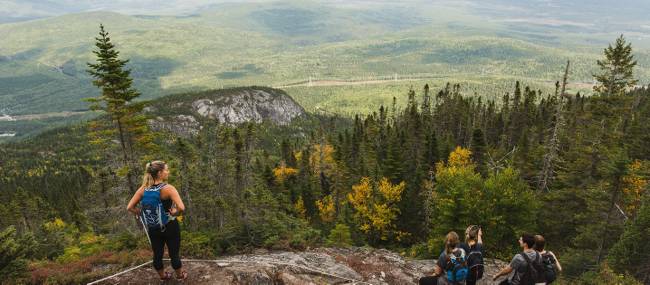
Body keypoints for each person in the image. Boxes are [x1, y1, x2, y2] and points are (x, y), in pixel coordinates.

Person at [127, 161, 187, 282]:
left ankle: (163, 277)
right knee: (174, 253)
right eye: (166, 170)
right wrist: (174, 213)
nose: (168, 172)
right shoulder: (168, 188)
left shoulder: (143, 189)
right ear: (159, 173)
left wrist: (142, 213)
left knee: (157, 254)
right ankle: (180, 276)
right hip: (170, 225)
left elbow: (129, 207)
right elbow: (181, 208)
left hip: (153, 228)